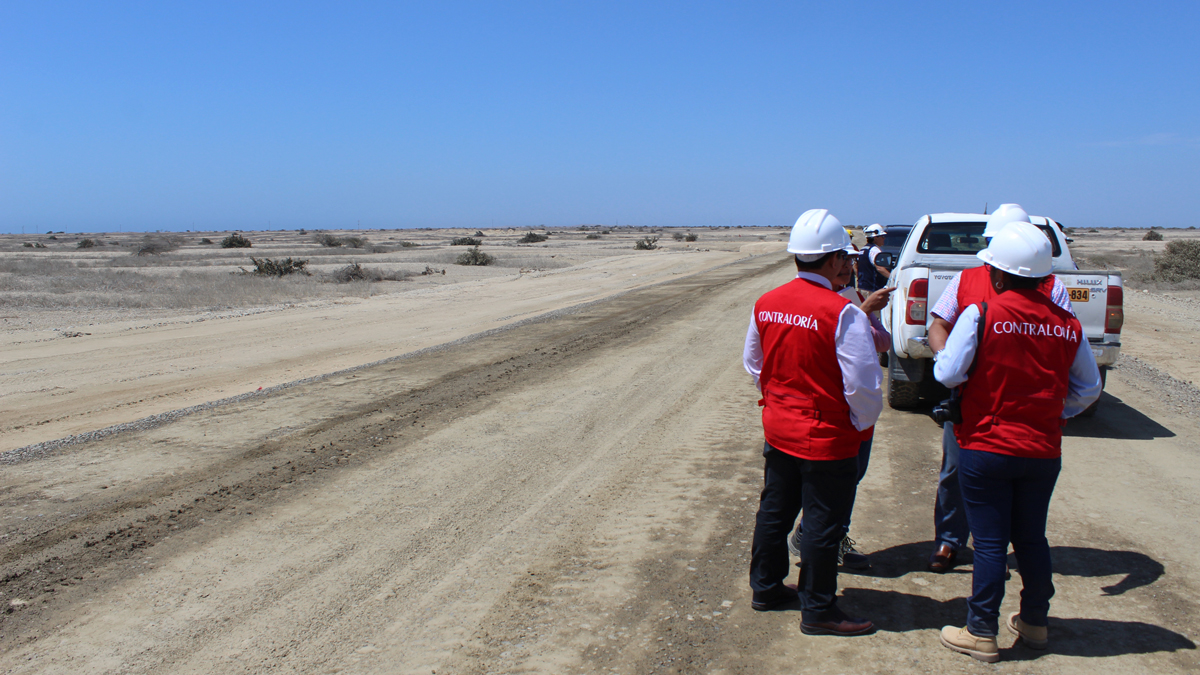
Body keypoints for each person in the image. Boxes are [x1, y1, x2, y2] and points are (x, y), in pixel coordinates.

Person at [933, 221, 1101, 662]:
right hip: (1042, 450)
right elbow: (1088, 388)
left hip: (986, 445)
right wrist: (1049, 412)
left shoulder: (983, 313)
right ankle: (1035, 623)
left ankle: (981, 630)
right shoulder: (1067, 323)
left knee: (989, 544)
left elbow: (947, 373)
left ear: (999, 274)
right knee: (1031, 539)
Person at [743, 209, 883, 636]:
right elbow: (863, 385)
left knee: (775, 511)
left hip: (779, 428)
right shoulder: (842, 312)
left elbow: (753, 363)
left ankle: (766, 588)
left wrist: (782, 400)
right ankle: (818, 609)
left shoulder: (767, 302)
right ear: (832, 258)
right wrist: (858, 426)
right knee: (824, 523)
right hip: (827, 437)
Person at [925, 204, 1074, 573]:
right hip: (971, 397)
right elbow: (938, 325)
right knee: (956, 471)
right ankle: (949, 540)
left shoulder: (1055, 290)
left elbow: (1066, 343)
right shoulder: (966, 280)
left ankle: (999, 548)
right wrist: (953, 363)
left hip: (1027, 405)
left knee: (1017, 483)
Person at [786, 256, 895, 570]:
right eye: (841, 261)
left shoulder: (856, 297)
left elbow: (883, 342)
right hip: (831, 408)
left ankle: (830, 536)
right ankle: (816, 541)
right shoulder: (826, 303)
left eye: (851, 262)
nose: (847, 268)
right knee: (827, 482)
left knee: (853, 476)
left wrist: (863, 312)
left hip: (858, 409)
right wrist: (864, 314)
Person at [856, 224, 889, 293]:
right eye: (882, 236)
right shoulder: (875, 250)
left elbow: (856, 266)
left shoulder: (863, 249)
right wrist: (892, 278)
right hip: (871, 289)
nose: (884, 238)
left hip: (862, 287)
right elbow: (879, 268)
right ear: (876, 238)